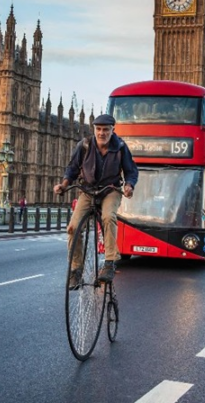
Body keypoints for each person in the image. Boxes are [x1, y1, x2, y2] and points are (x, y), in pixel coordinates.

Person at [54, 114, 139, 287]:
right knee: (73, 228)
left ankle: (109, 263)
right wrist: (63, 185)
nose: (102, 133)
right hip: (88, 191)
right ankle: (76, 270)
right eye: (98, 129)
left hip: (111, 190)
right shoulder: (84, 145)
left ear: (112, 130)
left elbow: (131, 171)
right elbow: (71, 169)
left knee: (108, 217)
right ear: (94, 130)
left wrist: (129, 185)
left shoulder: (121, 147)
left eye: (106, 129)